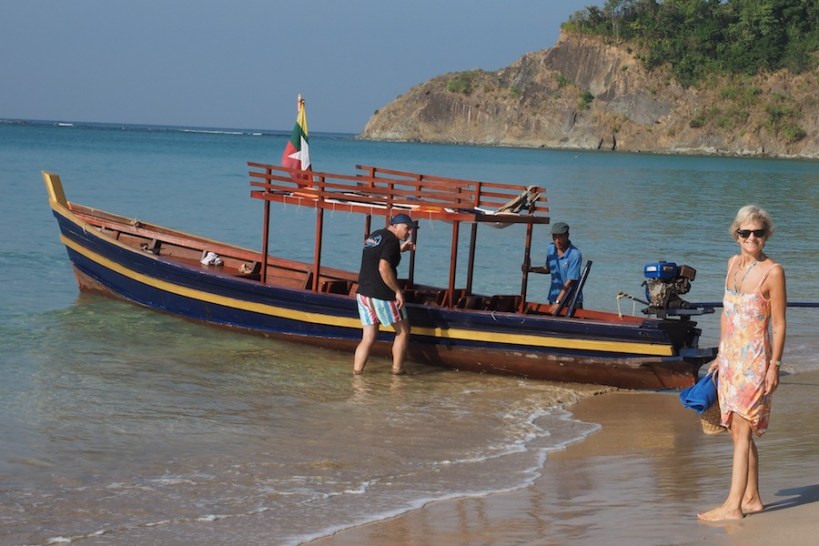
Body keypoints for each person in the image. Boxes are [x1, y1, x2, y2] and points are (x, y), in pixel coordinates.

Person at [698, 205, 786, 521]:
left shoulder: (773, 272)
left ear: (766, 236)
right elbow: (727, 313)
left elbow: (779, 324)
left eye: (758, 233)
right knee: (736, 430)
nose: (752, 238)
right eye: (745, 232)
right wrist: (721, 355)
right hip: (732, 359)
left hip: (755, 360)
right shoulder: (733, 264)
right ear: (736, 235)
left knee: (743, 426)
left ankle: (732, 506)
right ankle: (752, 498)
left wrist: (775, 365)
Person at [353, 213, 418, 375]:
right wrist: (398, 291)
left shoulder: (376, 235)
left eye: (411, 229)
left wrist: (399, 250)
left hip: (363, 294)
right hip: (381, 294)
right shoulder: (392, 240)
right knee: (403, 331)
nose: (409, 232)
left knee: (368, 337)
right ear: (395, 226)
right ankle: (397, 371)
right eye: (407, 228)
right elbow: (383, 268)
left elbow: (377, 255)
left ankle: (357, 373)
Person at [525, 222, 583, 315]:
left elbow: (570, 282)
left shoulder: (575, 255)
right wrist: (531, 269)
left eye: (560, 237)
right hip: (554, 298)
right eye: (554, 237)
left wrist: (558, 302)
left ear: (567, 235)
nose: (557, 241)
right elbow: (548, 268)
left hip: (572, 302)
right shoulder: (550, 248)